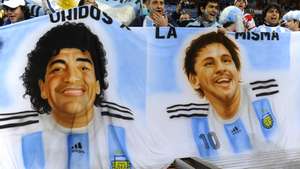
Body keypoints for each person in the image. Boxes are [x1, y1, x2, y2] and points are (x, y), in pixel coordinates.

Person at [0, 22, 135, 169]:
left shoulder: (127, 124)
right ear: (42, 87)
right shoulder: (13, 132)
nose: (72, 77)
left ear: (97, 84)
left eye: (83, 67)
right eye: (58, 69)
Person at [166, 31, 282, 158]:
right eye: (209, 63)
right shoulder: (194, 121)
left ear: (237, 70)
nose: (221, 68)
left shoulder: (268, 96)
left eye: (226, 60)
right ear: (194, 80)